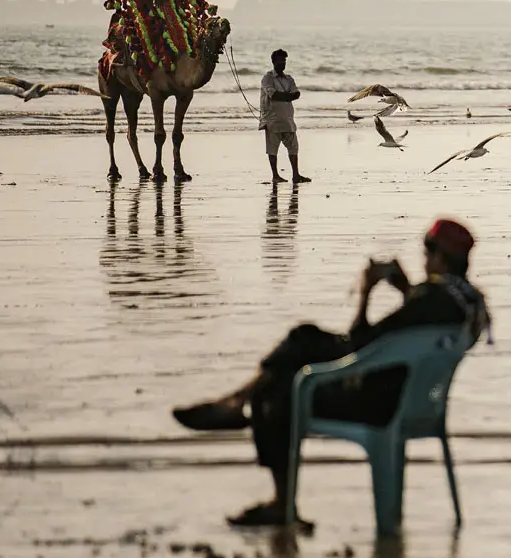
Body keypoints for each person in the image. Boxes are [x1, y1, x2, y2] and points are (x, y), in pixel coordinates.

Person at [171, 219, 490, 527]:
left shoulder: (431, 298)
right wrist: (406, 289)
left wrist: (366, 293)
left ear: (439, 257)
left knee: (280, 389)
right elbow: (407, 335)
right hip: (411, 398)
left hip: (377, 401)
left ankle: (277, 492)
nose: (424, 260)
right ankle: (238, 401)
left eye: (427, 252)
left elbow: (361, 344)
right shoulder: (465, 301)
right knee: (303, 339)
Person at [260, 49, 310, 184]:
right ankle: (275, 175)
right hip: (272, 120)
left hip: (288, 119)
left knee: (293, 147)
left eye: (284, 61)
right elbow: (273, 94)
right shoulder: (267, 78)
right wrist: (288, 97)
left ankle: (296, 175)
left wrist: (286, 96)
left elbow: (297, 94)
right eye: (280, 60)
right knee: (272, 149)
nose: (283, 63)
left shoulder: (289, 79)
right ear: (273, 62)